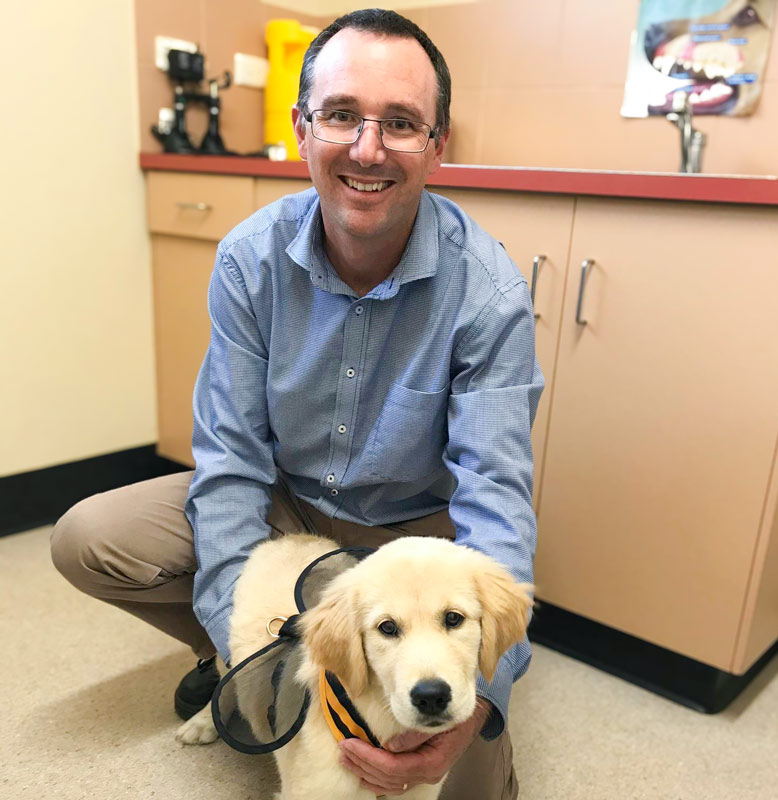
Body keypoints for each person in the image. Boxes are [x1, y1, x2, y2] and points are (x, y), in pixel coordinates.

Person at [50, 8, 544, 799]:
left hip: (411, 540)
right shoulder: (249, 260)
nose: (369, 148)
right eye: (342, 115)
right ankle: (259, 651)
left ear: (437, 144)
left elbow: (497, 504)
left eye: (403, 123)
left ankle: (405, 664)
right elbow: (231, 460)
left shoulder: (489, 295)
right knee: (90, 538)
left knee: (468, 782)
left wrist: (481, 698)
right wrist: (246, 654)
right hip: (288, 504)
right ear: (303, 127)